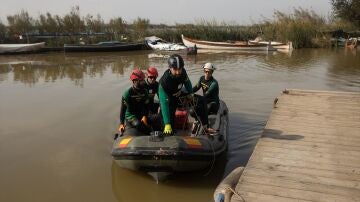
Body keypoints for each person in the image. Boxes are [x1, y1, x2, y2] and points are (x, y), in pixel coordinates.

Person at [158, 54, 213, 135]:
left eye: (179, 69)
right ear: (170, 68)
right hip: (168, 99)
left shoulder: (182, 72)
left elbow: (187, 82)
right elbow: (164, 103)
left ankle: (205, 125)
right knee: (169, 127)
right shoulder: (164, 82)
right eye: (175, 69)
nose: (178, 72)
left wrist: (191, 93)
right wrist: (167, 124)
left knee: (201, 100)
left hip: (179, 93)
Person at [118, 69, 151, 134]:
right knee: (138, 124)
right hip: (131, 115)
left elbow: (146, 105)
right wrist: (121, 123)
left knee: (155, 119)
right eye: (141, 80)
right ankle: (150, 132)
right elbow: (123, 110)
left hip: (141, 113)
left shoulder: (145, 91)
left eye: (143, 80)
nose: (143, 82)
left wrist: (144, 116)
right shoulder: (127, 94)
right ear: (135, 81)